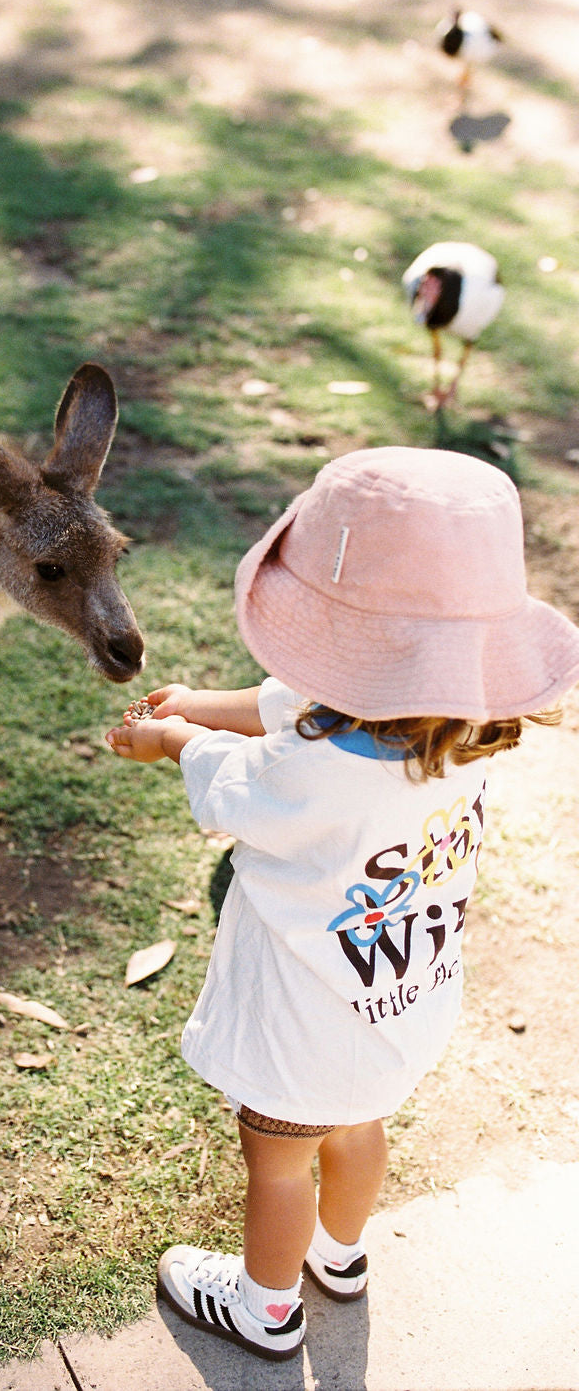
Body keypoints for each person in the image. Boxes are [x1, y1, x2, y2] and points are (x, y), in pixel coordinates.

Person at [105, 445, 579, 1362]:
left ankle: (266, 1306)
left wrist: (172, 737)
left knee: (278, 1161)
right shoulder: (459, 730)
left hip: (305, 1024)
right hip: (398, 1010)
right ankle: (343, 1255)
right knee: (360, 1125)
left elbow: (235, 779)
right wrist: (206, 701)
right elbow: (302, 704)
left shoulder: (305, 770)